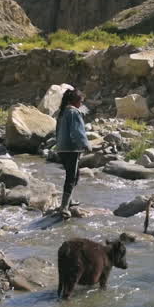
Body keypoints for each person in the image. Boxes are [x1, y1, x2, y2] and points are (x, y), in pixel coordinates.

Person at [55, 88, 92, 217]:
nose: (82, 104)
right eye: (81, 101)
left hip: (61, 148)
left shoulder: (63, 111)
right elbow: (77, 132)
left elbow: (58, 131)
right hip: (71, 149)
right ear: (75, 101)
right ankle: (64, 207)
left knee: (75, 175)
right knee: (71, 177)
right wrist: (86, 145)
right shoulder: (74, 112)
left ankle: (69, 201)